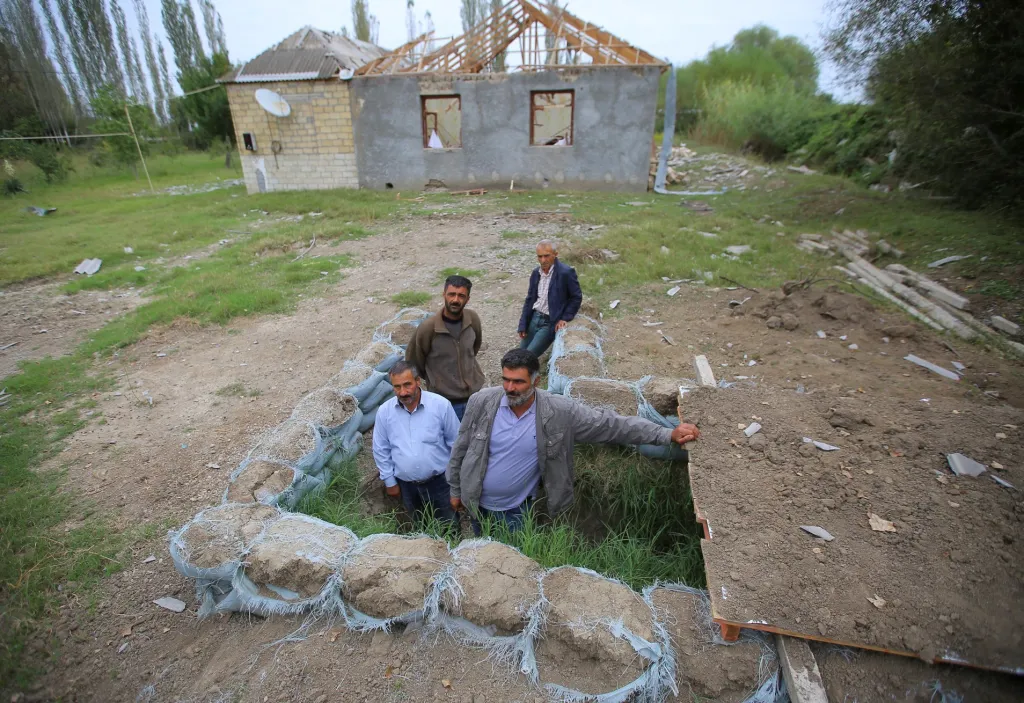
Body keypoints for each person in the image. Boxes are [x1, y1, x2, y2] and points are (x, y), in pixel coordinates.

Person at [447, 349, 700, 534]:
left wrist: (666, 434)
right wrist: (456, 490)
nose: (510, 388)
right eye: (506, 379)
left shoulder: (559, 412)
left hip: (518, 512)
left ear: (536, 381)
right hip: (476, 503)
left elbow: (610, 425)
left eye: (518, 381)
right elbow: (461, 446)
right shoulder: (482, 402)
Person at [372, 360, 460, 529]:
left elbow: (456, 444)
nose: (403, 392)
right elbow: (381, 449)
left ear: (418, 381)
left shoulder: (440, 406)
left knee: (450, 527)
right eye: (397, 387)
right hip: (407, 486)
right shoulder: (385, 412)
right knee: (421, 530)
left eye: (407, 385)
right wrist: (390, 482)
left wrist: (457, 484)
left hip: (440, 483)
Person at [405, 275, 486, 421]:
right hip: (445, 402)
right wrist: (436, 381)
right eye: (451, 294)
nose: (455, 300)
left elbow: (474, 348)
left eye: (461, 295)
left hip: (474, 396)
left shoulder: (472, 319)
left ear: (468, 299)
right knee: (452, 441)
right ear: (444, 295)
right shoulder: (428, 328)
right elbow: (414, 361)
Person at [518, 240, 583, 357]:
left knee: (528, 357)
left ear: (555, 254)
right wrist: (523, 324)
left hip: (549, 322)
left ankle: (532, 374)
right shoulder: (536, 273)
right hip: (535, 318)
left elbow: (576, 297)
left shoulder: (565, 273)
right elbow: (530, 299)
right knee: (518, 354)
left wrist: (565, 318)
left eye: (546, 256)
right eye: (540, 256)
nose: (543, 260)